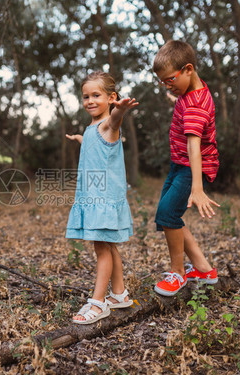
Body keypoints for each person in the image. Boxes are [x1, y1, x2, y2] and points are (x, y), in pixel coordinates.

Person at [65, 71, 138, 324]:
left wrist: (121, 110)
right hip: (95, 197)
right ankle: (119, 294)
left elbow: (114, 121)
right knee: (108, 244)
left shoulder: (109, 123)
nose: (90, 101)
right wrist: (81, 139)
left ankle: (98, 304)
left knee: (101, 248)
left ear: (111, 98)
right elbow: (95, 142)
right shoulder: (93, 128)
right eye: (86, 96)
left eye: (96, 95)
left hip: (103, 199)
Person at [151, 40, 220, 297]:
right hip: (179, 164)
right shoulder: (191, 94)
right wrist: (175, 98)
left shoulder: (194, 105)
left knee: (168, 215)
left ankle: (178, 274)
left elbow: (195, 146)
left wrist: (197, 188)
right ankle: (203, 268)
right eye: (162, 81)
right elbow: (188, 108)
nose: (167, 84)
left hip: (191, 167)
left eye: (170, 80)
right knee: (167, 216)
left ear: (188, 69)